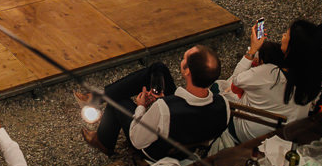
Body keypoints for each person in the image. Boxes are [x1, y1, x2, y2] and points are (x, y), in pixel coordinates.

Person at [80, 45, 229, 159]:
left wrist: (141, 107)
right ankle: (97, 97)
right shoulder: (224, 105)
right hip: (185, 138)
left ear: (187, 71)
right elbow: (194, 124)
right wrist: (166, 100)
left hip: (157, 152)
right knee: (159, 68)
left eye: (184, 58)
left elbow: (137, 140)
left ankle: (104, 141)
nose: (181, 60)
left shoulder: (163, 108)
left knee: (118, 100)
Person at [220, 20, 322, 144]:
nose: (283, 36)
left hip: (248, 135)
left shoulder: (270, 74)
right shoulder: (314, 76)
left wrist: (252, 50)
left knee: (216, 88)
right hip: (285, 134)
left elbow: (236, 80)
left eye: (287, 34)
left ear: (294, 47)